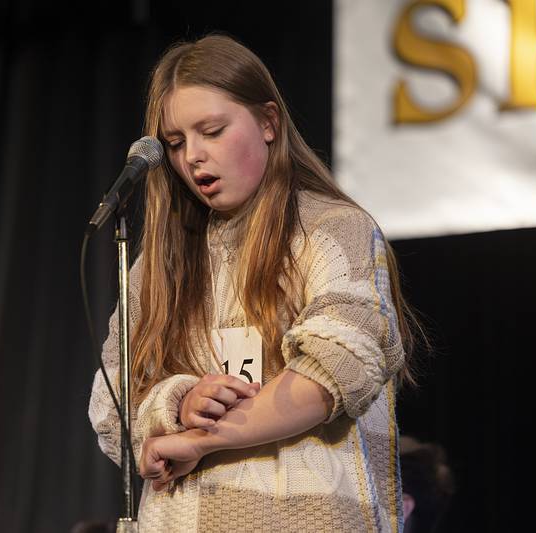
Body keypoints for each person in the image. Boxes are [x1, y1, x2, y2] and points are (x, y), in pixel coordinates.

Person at [88, 34, 418, 532]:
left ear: (269, 122)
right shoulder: (157, 264)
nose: (192, 156)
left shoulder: (334, 230)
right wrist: (177, 402)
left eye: (212, 131)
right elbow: (110, 407)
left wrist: (199, 440)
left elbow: (337, 369)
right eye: (176, 143)